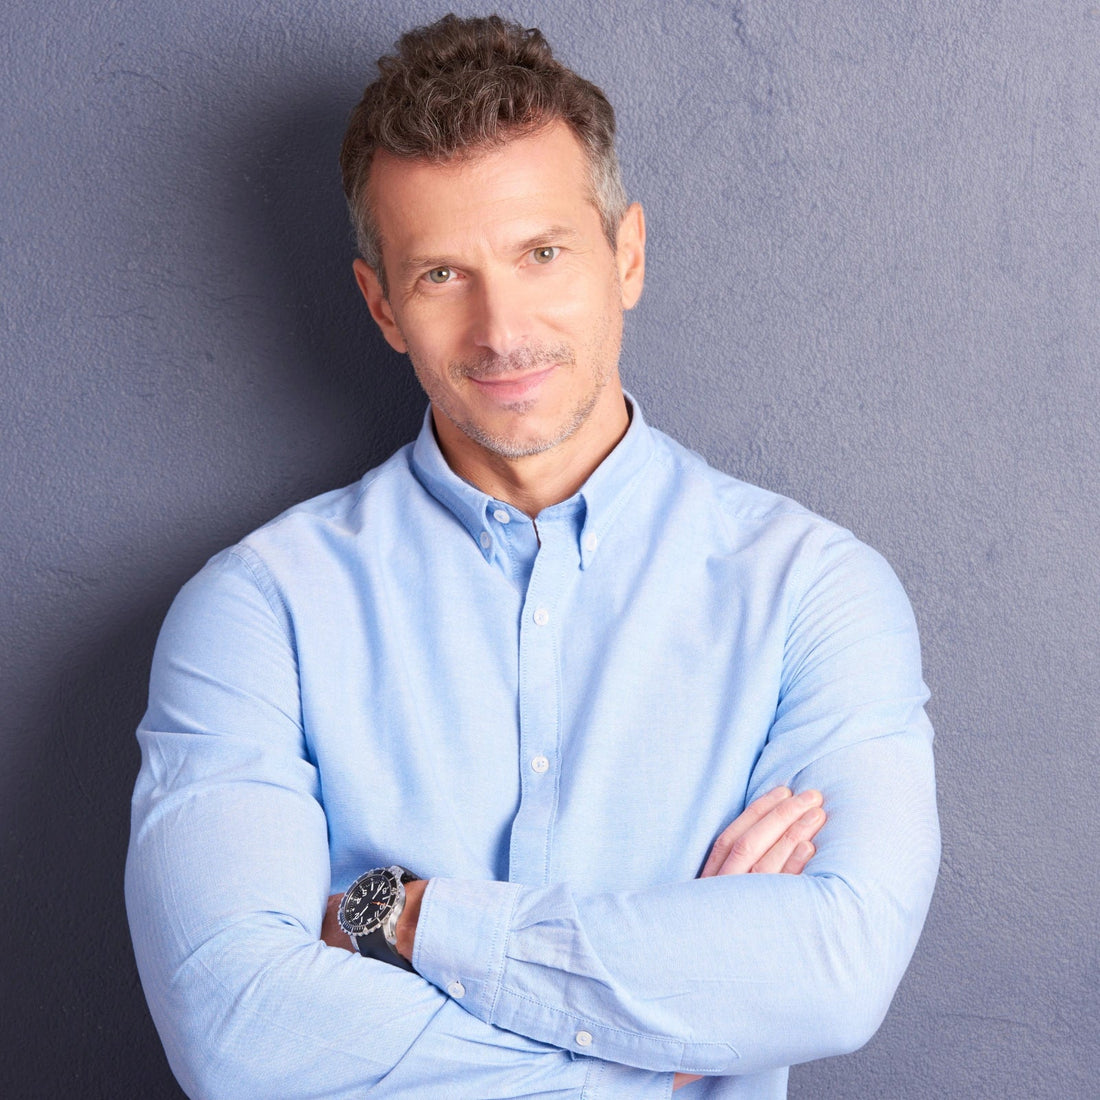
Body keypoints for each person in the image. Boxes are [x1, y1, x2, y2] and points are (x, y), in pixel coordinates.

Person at [125, 13, 939, 1099]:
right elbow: (239, 1031)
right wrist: (662, 1039)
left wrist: (408, 917)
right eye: (440, 276)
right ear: (381, 306)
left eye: (541, 252)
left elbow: (831, 971)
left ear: (627, 254)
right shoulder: (256, 612)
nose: (501, 329)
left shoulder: (814, 593)